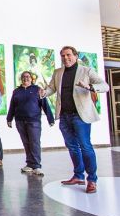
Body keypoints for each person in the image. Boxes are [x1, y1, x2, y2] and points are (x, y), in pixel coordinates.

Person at [40, 46, 109, 193]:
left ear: (76, 56)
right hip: (64, 115)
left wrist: (89, 86)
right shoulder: (58, 72)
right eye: (63, 56)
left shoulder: (86, 70)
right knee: (72, 147)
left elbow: (105, 86)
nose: (66, 58)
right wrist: (44, 92)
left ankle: (91, 179)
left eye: (69, 55)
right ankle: (78, 175)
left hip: (80, 115)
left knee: (85, 146)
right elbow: (52, 88)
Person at [7, 71, 54, 175]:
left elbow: (45, 104)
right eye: (23, 77)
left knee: (35, 142)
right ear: (21, 79)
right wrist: (9, 119)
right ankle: (29, 164)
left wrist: (50, 119)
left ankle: (36, 166)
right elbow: (12, 106)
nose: (25, 78)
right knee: (26, 143)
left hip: (33, 121)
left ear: (31, 79)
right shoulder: (16, 91)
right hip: (20, 121)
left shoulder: (37, 90)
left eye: (27, 76)